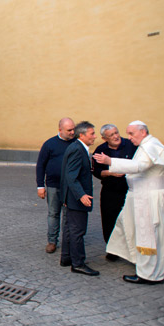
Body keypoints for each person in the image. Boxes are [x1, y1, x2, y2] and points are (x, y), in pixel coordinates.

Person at [94, 121, 164, 284]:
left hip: (148, 199)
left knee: (149, 235)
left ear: (143, 132)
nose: (128, 138)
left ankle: (149, 274)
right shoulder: (146, 144)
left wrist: (110, 161)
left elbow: (140, 165)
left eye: (131, 134)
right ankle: (141, 263)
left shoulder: (149, 145)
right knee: (126, 225)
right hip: (141, 196)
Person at [91, 124, 137, 260]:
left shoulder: (130, 145)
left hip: (130, 188)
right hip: (110, 190)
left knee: (130, 219)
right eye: (111, 135)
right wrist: (110, 173)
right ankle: (112, 249)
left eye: (116, 132)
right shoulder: (100, 150)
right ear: (104, 138)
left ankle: (132, 249)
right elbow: (96, 171)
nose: (116, 136)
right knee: (109, 219)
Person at [60, 121, 99, 276]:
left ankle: (67, 257)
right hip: (76, 198)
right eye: (92, 133)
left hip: (72, 197)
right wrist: (81, 195)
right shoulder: (77, 149)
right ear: (81, 135)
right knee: (78, 231)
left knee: (70, 229)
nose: (95, 137)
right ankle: (78, 263)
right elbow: (71, 176)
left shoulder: (77, 147)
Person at [36, 117, 76, 253]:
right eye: (69, 130)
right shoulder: (50, 144)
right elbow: (40, 165)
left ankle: (68, 241)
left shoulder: (76, 143)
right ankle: (52, 241)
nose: (72, 132)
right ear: (60, 130)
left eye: (73, 129)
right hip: (53, 185)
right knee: (53, 214)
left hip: (70, 187)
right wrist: (40, 186)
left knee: (68, 215)